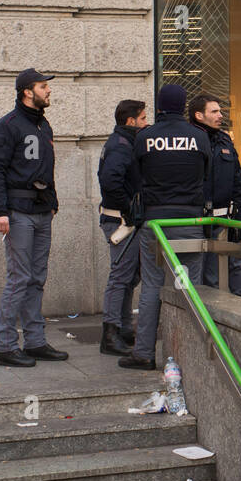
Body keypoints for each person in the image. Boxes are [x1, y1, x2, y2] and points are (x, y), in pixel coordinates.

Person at [121, 84, 210, 370]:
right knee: (188, 287)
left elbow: (134, 177)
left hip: (155, 221)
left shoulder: (145, 137)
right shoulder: (199, 137)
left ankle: (144, 353)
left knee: (151, 286)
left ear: (159, 105)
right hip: (189, 220)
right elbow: (207, 177)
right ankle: (190, 352)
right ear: (183, 105)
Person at [0, 68, 68, 367]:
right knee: (19, 278)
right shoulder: (6, 126)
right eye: (43, 86)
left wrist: (54, 202)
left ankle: (34, 341)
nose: (48, 91)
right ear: (26, 91)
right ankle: (4, 346)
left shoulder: (44, 125)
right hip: (18, 213)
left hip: (43, 210)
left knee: (36, 278)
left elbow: (48, 167)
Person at [96, 99, 146, 357]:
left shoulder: (123, 143)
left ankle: (123, 328)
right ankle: (112, 332)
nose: (146, 123)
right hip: (121, 221)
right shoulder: (121, 146)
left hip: (122, 219)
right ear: (131, 121)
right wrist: (129, 208)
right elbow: (110, 180)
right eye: (143, 118)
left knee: (128, 276)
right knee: (121, 276)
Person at [190, 93, 241, 298]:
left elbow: (238, 181)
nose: (220, 115)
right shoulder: (191, 140)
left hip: (227, 218)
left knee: (236, 267)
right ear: (199, 115)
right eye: (214, 111)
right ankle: (212, 318)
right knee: (209, 274)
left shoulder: (225, 141)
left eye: (220, 111)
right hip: (200, 220)